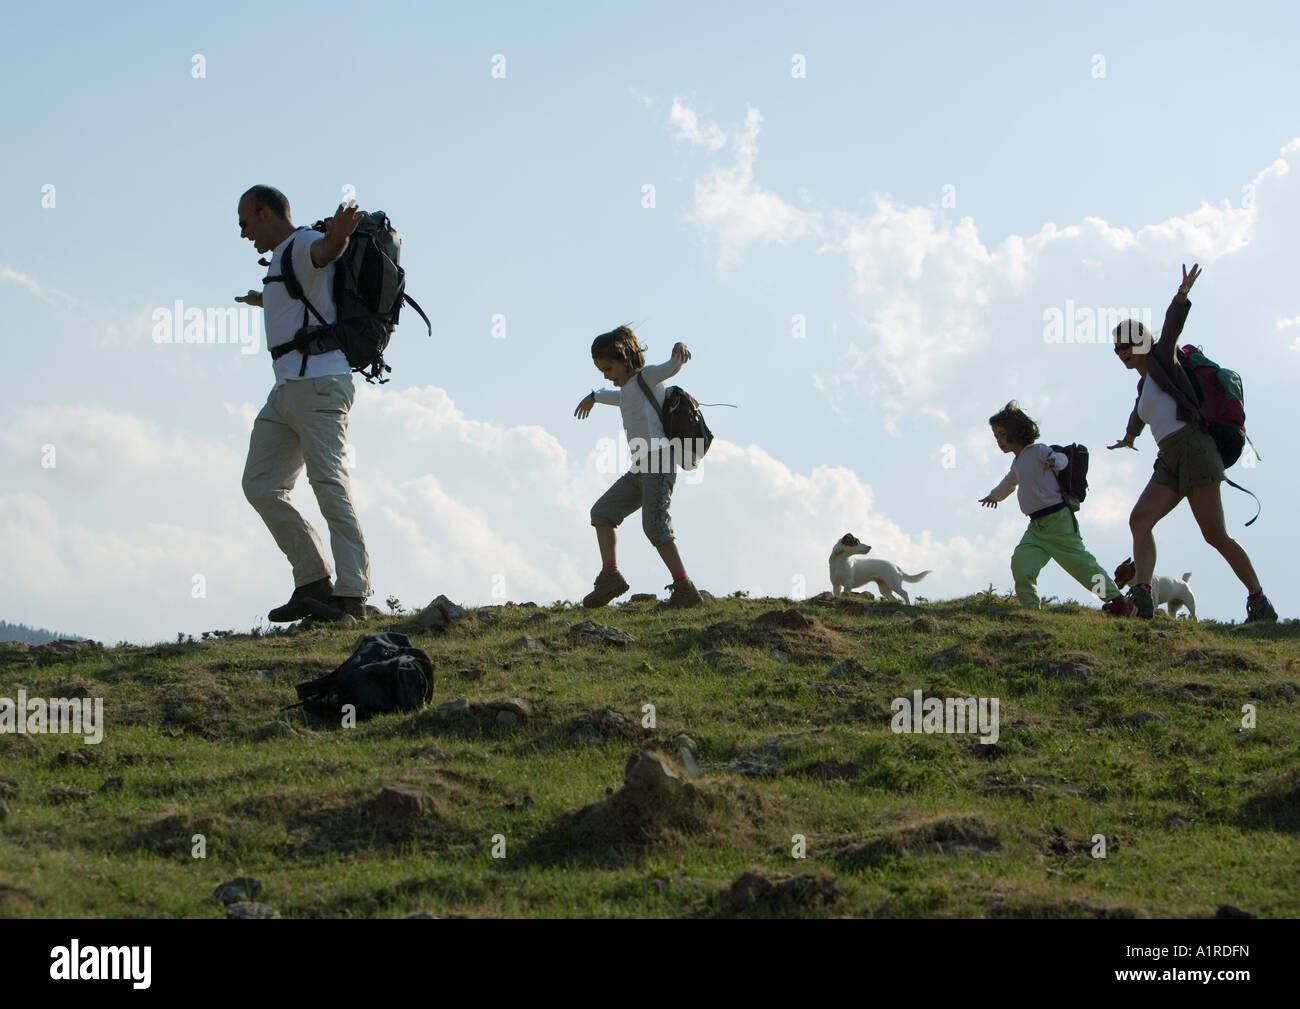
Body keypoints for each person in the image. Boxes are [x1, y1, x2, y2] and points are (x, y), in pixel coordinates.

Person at [1108, 264, 1276, 623]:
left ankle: (1259, 601)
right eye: (1116, 347)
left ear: (1141, 342)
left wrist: (1181, 295)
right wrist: (1128, 437)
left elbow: (1171, 328)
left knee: (1215, 536)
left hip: (1196, 450)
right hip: (1168, 458)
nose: (1120, 351)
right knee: (1140, 520)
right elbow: (1139, 414)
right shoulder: (1144, 386)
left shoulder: (1162, 359)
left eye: (1126, 344)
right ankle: (1143, 597)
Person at [234, 185, 371, 622]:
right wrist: (266, 302)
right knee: (260, 484)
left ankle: (352, 593)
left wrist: (341, 236)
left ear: (262, 211)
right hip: (288, 389)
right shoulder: (279, 258)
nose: (243, 235)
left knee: (328, 482)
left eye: (244, 223)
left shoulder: (302, 243)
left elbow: (326, 252)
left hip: (319, 384)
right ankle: (313, 581)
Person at [573, 325, 704, 608]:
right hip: (640, 468)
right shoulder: (629, 391)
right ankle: (611, 576)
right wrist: (594, 396)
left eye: (609, 368)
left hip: (659, 462)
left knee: (655, 526)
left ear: (625, 357)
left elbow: (671, 367)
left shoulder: (648, 377)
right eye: (602, 372)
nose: (607, 375)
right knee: (603, 512)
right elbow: (616, 398)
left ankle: (685, 588)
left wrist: (679, 347)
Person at [980, 402, 1133, 615]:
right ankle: (1030, 610)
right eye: (996, 436)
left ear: (1016, 432)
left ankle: (1119, 602)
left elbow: (1062, 458)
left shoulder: (1038, 451)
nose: (999, 441)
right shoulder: (1017, 463)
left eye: (1002, 435)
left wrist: (1054, 461)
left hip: (1058, 521)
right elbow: (1009, 483)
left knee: (1082, 567)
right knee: (1021, 564)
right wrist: (993, 496)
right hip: (1036, 527)